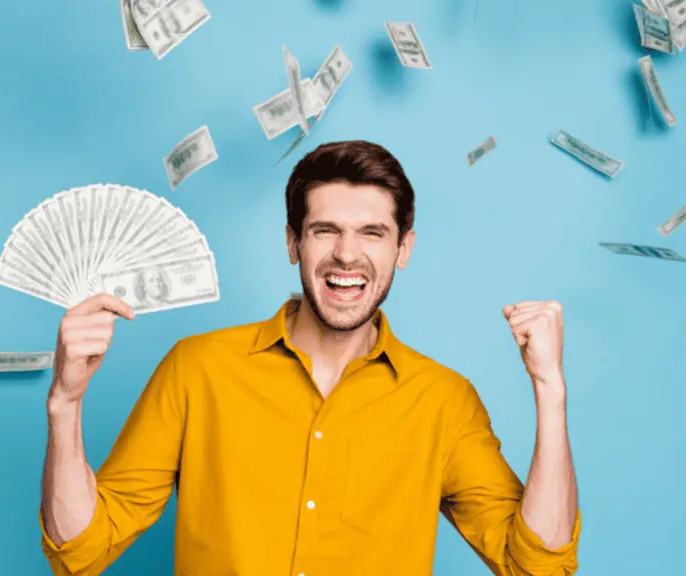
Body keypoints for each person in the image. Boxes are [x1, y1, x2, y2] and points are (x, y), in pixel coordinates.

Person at [39, 140, 581, 575]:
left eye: (372, 233)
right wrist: (66, 402)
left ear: (404, 249)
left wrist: (551, 393)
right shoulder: (197, 368)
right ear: (294, 242)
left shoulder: (445, 401)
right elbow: (81, 550)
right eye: (326, 231)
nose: (347, 253)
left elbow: (536, 565)